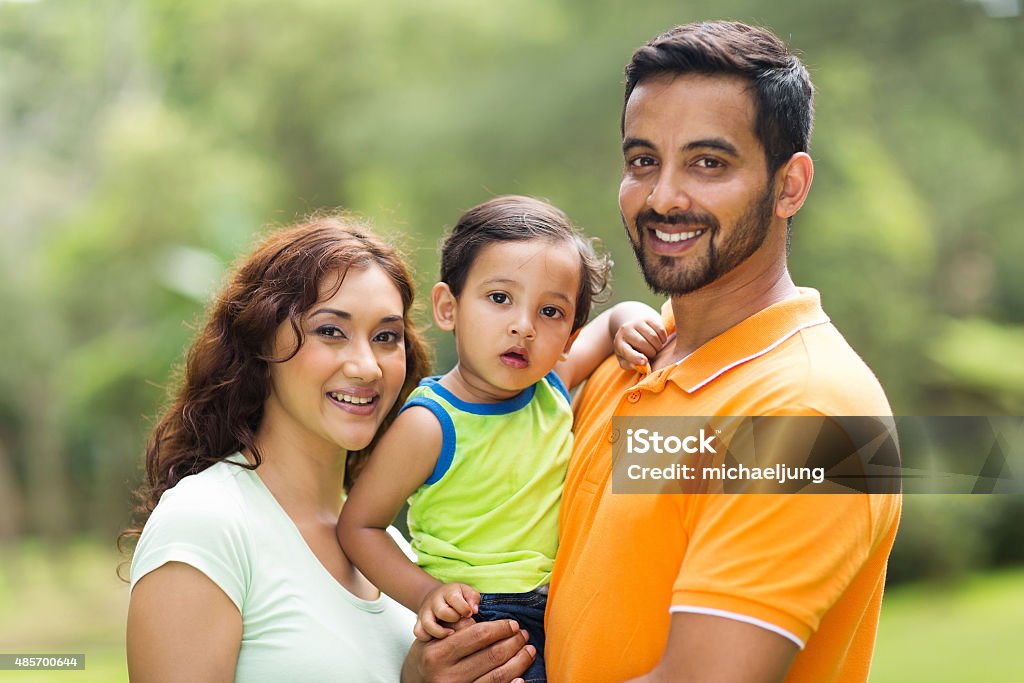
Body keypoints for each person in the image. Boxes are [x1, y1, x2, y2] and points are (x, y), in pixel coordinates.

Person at [544, 21, 902, 683]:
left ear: (790, 186)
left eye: (709, 163)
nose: (663, 197)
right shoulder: (633, 355)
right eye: (643, 160)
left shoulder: (811, 414)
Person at [124, 213, 536, 682]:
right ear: (261, 342)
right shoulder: (207, 524)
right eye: (330, 331)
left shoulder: (393, 551)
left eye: (386, 337)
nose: (366, 367)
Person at [338, 195, 662, 683]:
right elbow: (359, 527)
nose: (523, 326)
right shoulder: (430, 423)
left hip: (567, 603)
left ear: (570, 337)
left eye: (551, 312)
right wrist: (427, 594)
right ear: (449, 307)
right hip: (482, 617)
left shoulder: (553, 383)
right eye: (499, 298)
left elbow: (613, 319)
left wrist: (629, 317)